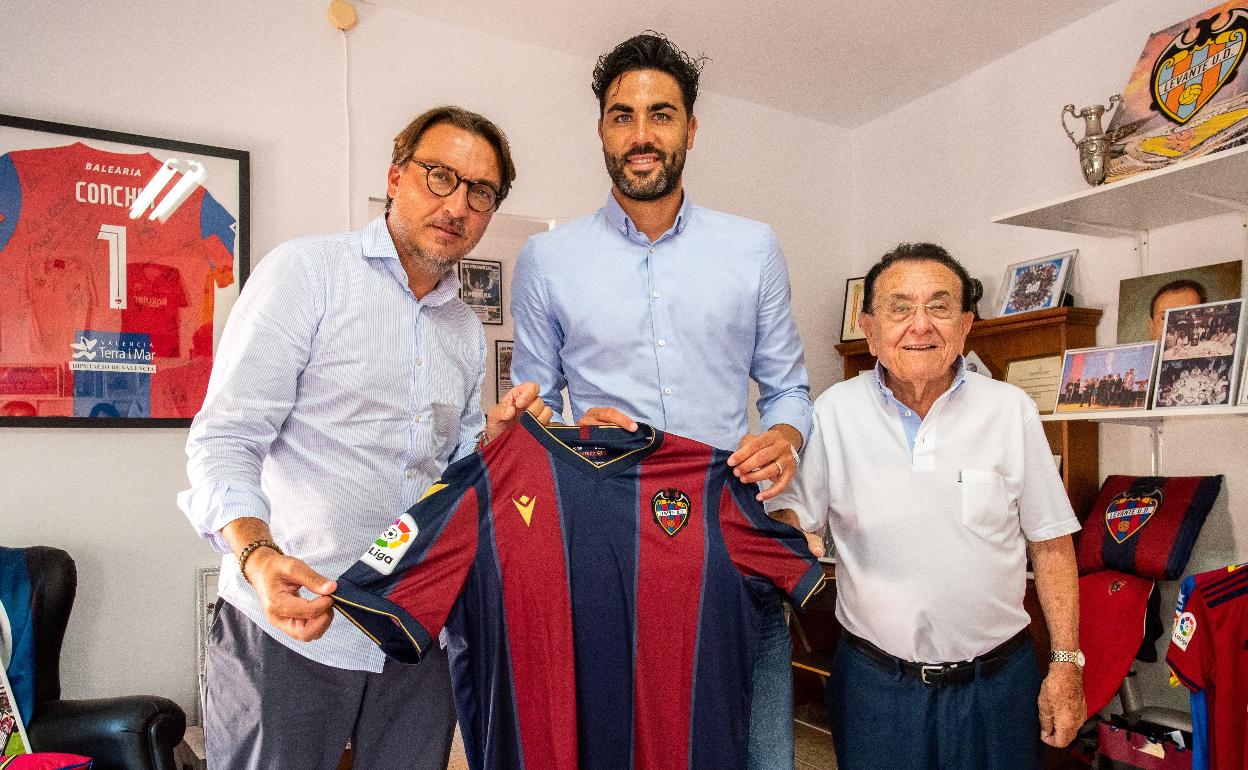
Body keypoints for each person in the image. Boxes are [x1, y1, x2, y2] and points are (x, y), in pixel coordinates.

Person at [179, 105, 551, 769]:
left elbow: (448, 479)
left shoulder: (464, 331)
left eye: (480, 192)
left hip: (411, 630)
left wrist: (491, 443)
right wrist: (258, 558)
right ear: (396, 176)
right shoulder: (307, 274)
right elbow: (225, 439)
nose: (458, 204)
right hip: (289, 624)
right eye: (439, 176)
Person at [509, 31, 812, 769]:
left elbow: (788, 389)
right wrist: (574, 428)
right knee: (621, 747)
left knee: (755, 754)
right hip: (604, 553)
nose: (641, 135)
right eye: (622, 116)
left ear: (691, 129)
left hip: (727, 540)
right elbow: (531, 413)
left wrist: (788, 436)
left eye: (661, 115)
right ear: (602, 129)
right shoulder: (548, 259)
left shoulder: (753, 247)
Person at [768, 243, 1086, 769]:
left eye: (939, 307)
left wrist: (1066, 663)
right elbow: (792, 516)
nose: (920, 325)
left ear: (965, 326)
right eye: (899, 308)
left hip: (997, 684)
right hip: (876, 686)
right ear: (869, 329)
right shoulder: (834, 413)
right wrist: (789, 530)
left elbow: (1051, 543)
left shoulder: (1010, 411)